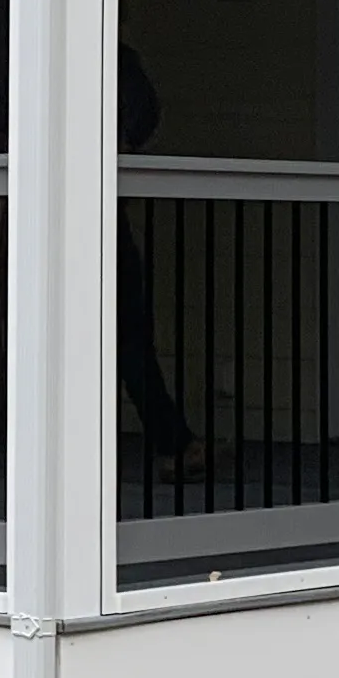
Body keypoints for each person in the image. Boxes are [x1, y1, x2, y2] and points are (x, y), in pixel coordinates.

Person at [114, 36, 197, 472]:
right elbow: (144, 115)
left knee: (124, 334)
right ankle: (174, 443)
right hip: (98, 214)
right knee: (128, 336)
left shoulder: (26, 46)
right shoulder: (114, 55)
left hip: (76, 215)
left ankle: (174, 442)